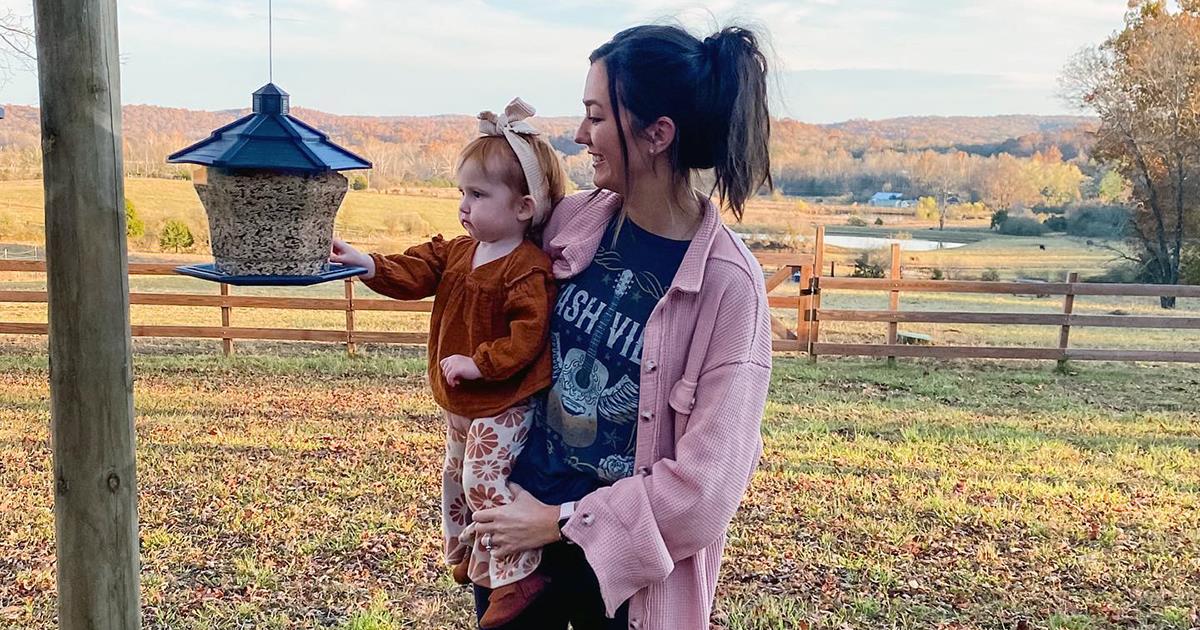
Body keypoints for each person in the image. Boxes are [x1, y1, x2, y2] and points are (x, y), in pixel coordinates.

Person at [466, 25, 775, 630]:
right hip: (516, 548)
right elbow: (479, 272)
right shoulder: (571, 223)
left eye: (596, 115)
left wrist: (558, 521)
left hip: (622, 584)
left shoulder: (729, 289)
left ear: (657, 134)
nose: (581, 134)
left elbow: (704, 493)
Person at [330, 98, 568, 628]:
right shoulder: (459, 251)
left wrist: (481, 365)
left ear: (524, 208)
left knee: (484, 479)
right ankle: (467, 552)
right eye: (462, 192)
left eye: (479, 195)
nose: (464, 205)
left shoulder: (526, 270)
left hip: (502, 401)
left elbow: (528, 338)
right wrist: (368, 263)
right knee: (454, 478)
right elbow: (415, 271)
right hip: (462, 402)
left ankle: (516, 574)